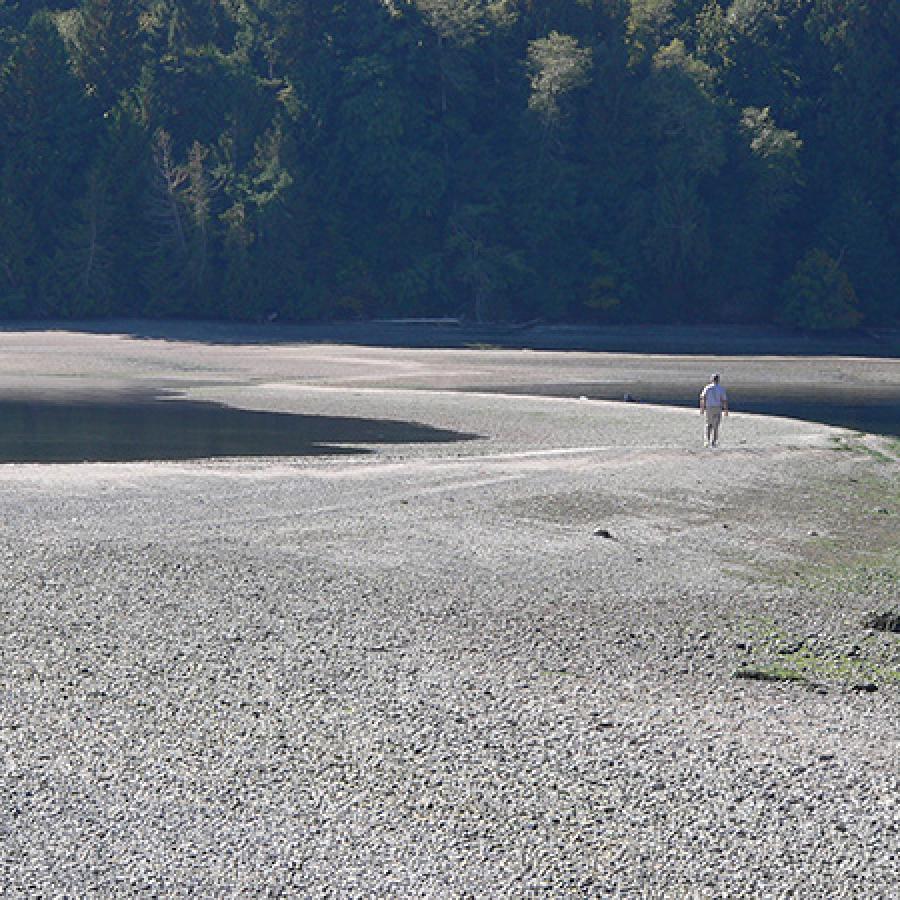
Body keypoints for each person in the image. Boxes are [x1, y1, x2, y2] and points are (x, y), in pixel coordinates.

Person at [699, 373, 728, 447]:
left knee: (708, 424)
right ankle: (714, 441)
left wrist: (702, 408)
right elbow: (724, 400)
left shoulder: (707, 387)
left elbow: (702, 398)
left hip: (709, 407)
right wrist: (725, 410)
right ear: (718, 380)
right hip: (717, 408)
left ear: (712, 379)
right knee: (716, 425)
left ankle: (707, 441)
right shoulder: (721, 388)